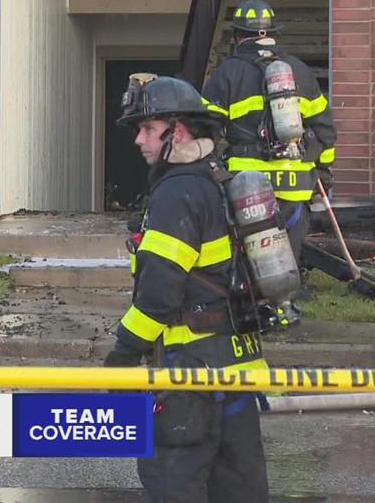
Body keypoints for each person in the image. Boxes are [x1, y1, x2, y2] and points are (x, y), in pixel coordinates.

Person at [104, 73, 270, 503]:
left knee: (173, 485)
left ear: (175, 131)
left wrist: (121, 358)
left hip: (188, 378)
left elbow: (159, 297)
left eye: (146, 128)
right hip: (238, 370)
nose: (138, 139)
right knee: (239, 489)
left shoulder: (177, 194)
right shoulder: (219, 180)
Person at [201, 0, 337, 277]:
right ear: (274, 34)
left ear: (238, 37)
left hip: (247, 189)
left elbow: (203, 130)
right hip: (296, 188)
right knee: (290, 265)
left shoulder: (227, 73)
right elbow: (325, 132)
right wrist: (322, 173)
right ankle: (287, 308)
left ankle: (254, 307)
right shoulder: (300, 70)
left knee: (251, 262)